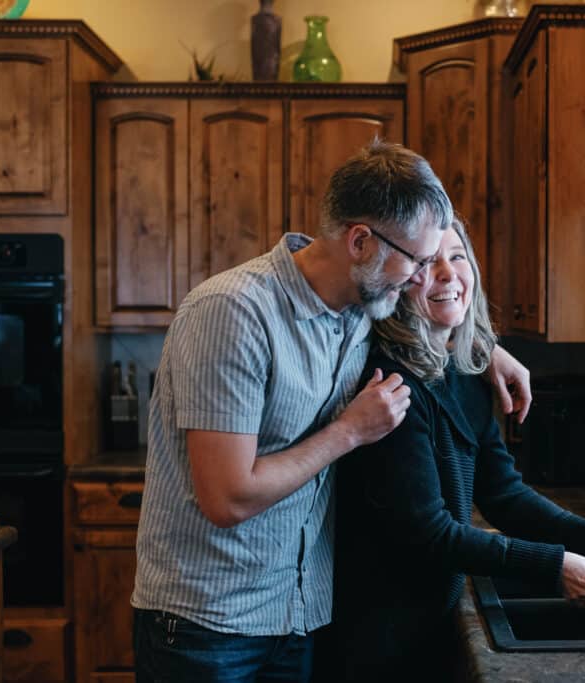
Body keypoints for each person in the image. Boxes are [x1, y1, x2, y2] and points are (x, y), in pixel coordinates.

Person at [130, 141, 532, 683]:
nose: (419, 277)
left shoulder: (360, 308)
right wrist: (348, 432)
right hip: (209, 626)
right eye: (415, 260)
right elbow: (226, 498)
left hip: (301, 617)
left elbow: (436, 320)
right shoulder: (232, 312)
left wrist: (486, 350)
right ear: (360, 241)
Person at [329, 219, 585, 682]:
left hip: (430, 627)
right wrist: (553, 565)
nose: (449, 274)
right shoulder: (389, 389)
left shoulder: (466, 374)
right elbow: (430, 534)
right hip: (378, 639)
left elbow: (504, 494)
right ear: (395, 279)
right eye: (426, 262)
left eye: (457, 256)